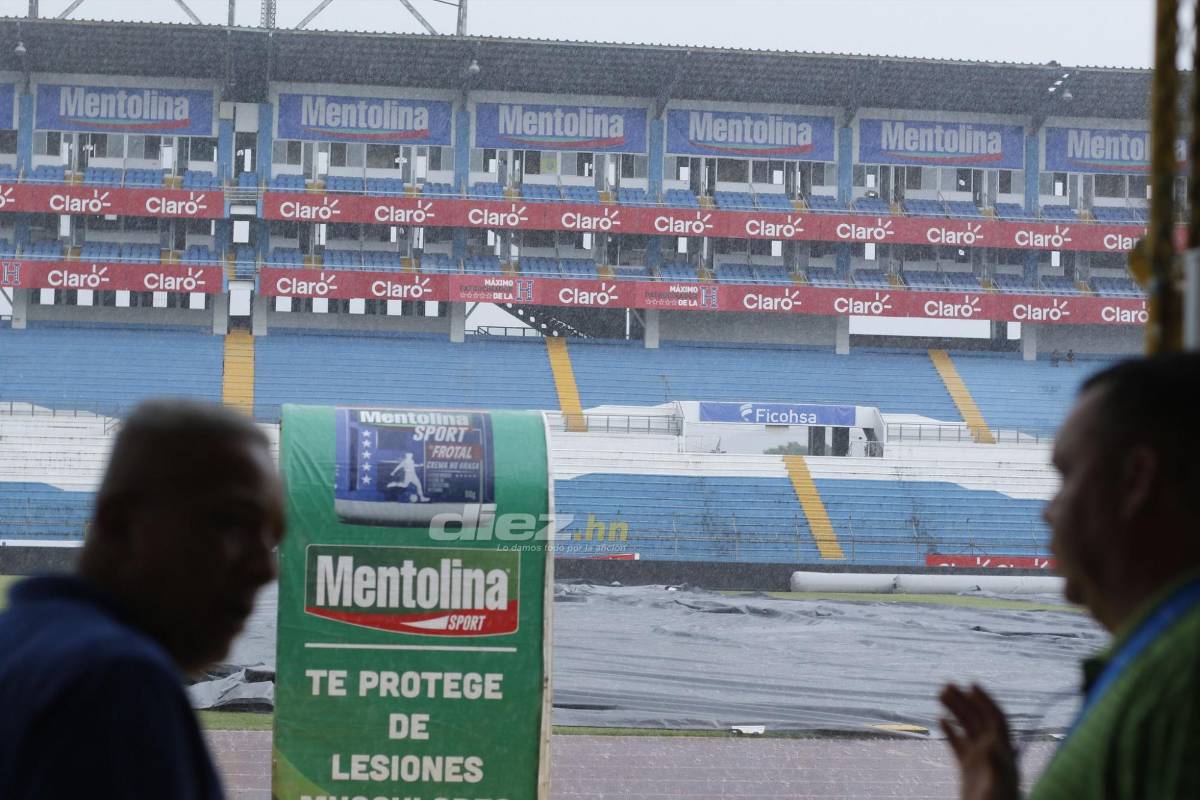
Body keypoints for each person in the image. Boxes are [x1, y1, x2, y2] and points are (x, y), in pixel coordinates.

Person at [939, 353, 1200, 800]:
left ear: (1135, 481)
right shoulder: (1156, 666)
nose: (1048, 511)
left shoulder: (1178, 687)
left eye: (1066, 475)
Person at [0, 399, 285, 799]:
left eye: (272, 538)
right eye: (233, 524)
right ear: (120, 522)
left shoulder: (22, 640)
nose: (265, 569)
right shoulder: (118, 679)